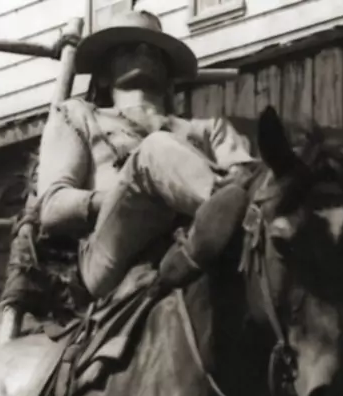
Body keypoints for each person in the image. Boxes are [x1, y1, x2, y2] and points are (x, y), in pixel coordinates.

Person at [32, 9, 260, 306]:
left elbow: (248, 177)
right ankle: (232, 218)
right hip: (109, 251)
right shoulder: (78, 116)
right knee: (155, 150)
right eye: (128, 48)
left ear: (168, 78)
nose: (142, 51)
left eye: (153, 51)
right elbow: (50, 207)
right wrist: (131, 191)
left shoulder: (208, 128)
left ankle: (228, 229)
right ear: (102, 75)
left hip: (192, 239)